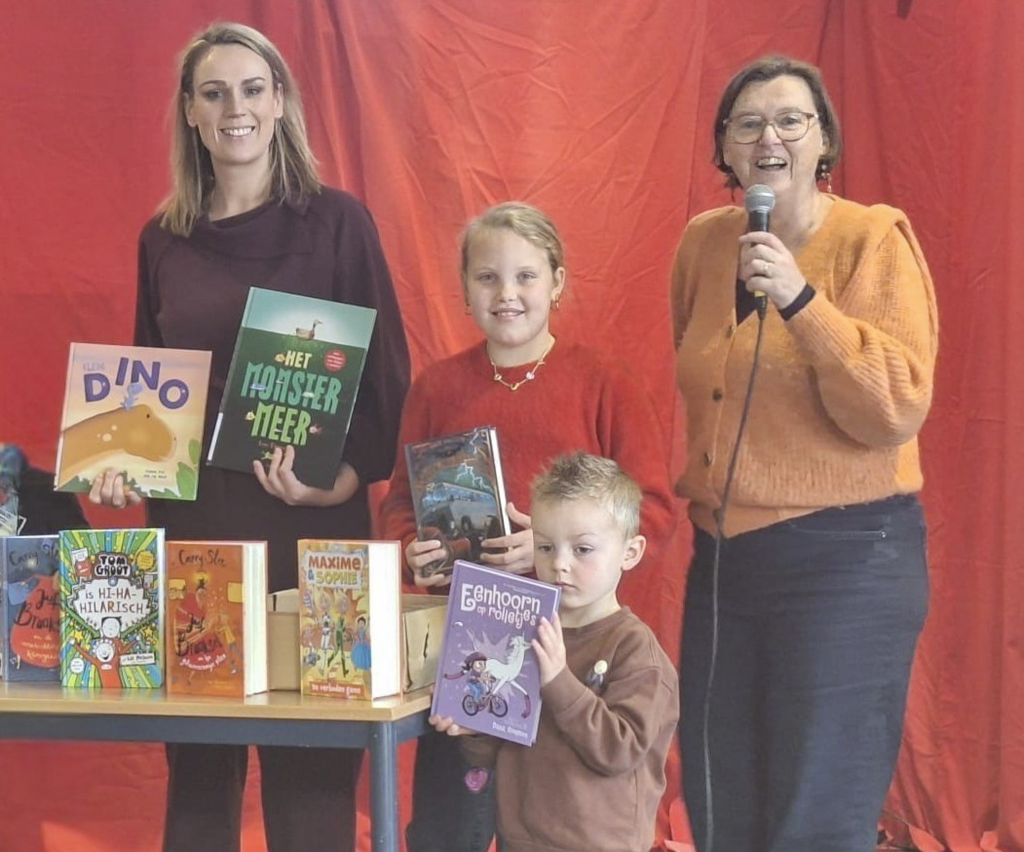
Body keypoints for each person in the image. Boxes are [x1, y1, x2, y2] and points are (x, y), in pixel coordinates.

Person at [89, 22, 410, 852]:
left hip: (313, 539)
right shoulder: (161, 238)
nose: (235, 107)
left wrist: (337, 482)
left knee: (312, 794)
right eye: (214, 92)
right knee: (199, 789)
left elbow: (385, 381)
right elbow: (147, 396)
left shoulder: (339, 223)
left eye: (252, 88)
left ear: (279, 104)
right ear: (190, 115)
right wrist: (124, 469)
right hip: (197, 539)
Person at [670, 55, 938, 852]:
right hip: (724, 564)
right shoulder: (705, 243)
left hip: (846, 563)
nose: (770, 137)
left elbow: (896, 406)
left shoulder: (872, 239)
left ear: (824, 142)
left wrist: (799, 300)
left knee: (815, 815)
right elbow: (702, 377)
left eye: (792, 120)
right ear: (725, 148)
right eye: (747, 123)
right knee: (722, 805)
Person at [379, 201, 676, 852]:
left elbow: (653, 508)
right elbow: (399, 503)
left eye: (526, 277)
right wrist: (414, 549)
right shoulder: (436, 388)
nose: (506, 294)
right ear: (464, 288)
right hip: (463, 648)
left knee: (553, 826)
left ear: (558, 282)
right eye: (487, 278)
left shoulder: (605, 383)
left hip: (573, 650)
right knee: (447, 829)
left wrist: (549, 555)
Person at [430, 452, 679, 852]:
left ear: (629, 553)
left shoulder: (635, 650)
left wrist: (559, 680)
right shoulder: (528, 631)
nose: (559, 564)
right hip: (521, 839)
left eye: (582, 550)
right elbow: (504, 749)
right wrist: (474, 730)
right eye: (545, 548)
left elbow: (620, 749)